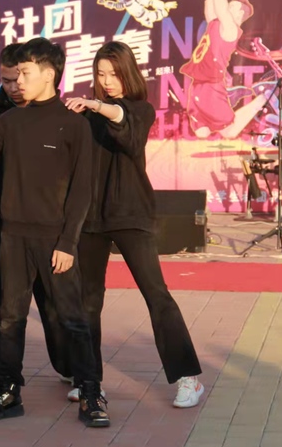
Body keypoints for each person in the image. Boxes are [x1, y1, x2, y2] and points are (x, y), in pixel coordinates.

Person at [0, 37, 109, 428]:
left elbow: (82, 191)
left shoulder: (74, 125)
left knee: (72, 318)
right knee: (9, 318)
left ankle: (91, 392)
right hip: (12, 238)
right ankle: (8, 391)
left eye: (25, 73)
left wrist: (68, 243)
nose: (18, 81)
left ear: (48, 74)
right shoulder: (9, 121)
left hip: (55, 241)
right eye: (15, 75)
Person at [65, 41, 204, 408]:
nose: (107, 81)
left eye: (114, 74)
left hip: (131, 213)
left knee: (156, 295)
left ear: (128, 74)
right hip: (90, 218)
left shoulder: (140, 110)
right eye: (100, 74)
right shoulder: (85, 117)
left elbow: (125, 128)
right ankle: (89, 379)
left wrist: (96, 105)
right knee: (88, 300)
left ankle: (188, 378)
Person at [0, 43, 71, 389]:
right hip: (1, 222)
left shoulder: (61, 119)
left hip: (48, 226)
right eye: (7, 80)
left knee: (54, 302)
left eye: (20, 76)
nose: (15, 85)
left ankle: (70, 365)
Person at [180, 0, 267, 139]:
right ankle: (261, 100)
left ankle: (261, 100)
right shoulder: (216, 24)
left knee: (229, 131)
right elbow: (210, 0)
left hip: (211, 86)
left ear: (239, 13)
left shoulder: (230, 29)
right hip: (198, 84)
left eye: (231, 6)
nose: (226, 6)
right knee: (202, 132)